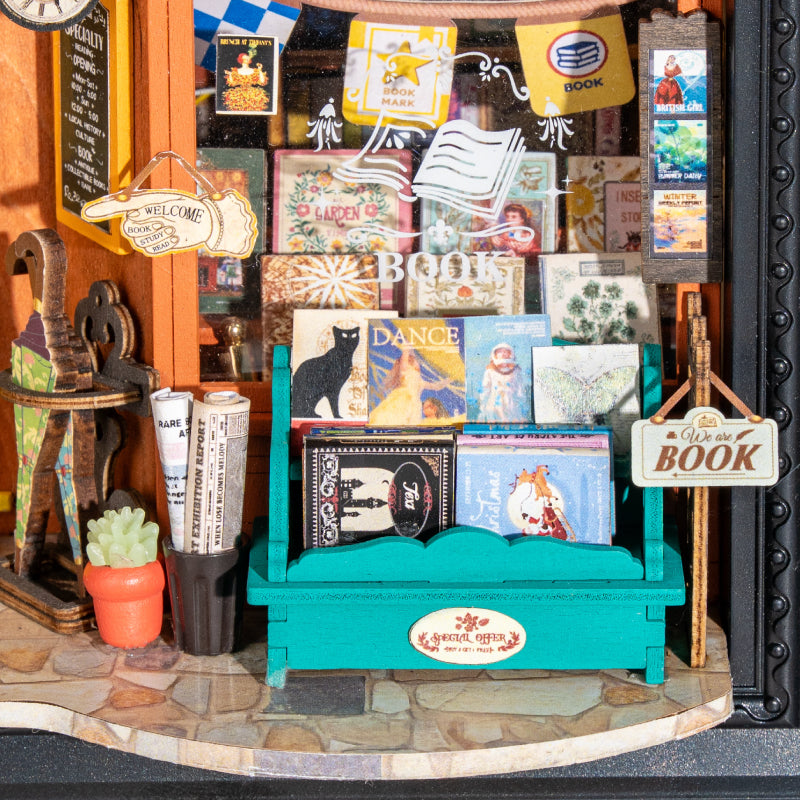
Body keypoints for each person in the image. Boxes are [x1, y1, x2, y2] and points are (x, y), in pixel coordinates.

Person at [478, 342, 528, 422]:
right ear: (495, 354)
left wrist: (521, 401)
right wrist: (483, 402)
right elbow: (485, 388)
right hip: (494, 404)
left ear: (510, 354)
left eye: (505, 351)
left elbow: (520, 389)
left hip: (512, 404)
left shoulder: (516, 371)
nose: (503, 354)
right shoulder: (490, 371)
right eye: (500, 352)